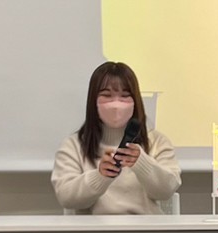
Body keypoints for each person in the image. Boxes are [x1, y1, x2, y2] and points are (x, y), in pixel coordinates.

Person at [51, 61, 181, 215]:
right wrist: (100, 176)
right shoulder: (74, 145)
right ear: (93, 101)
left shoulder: (157, 142)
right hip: (94, 228)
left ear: (136, 101)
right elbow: (66, 197)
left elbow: (166, 191)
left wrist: (142, 162)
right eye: (107, 95)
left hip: (144, 227)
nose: (116, 104)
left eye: (125, 96)